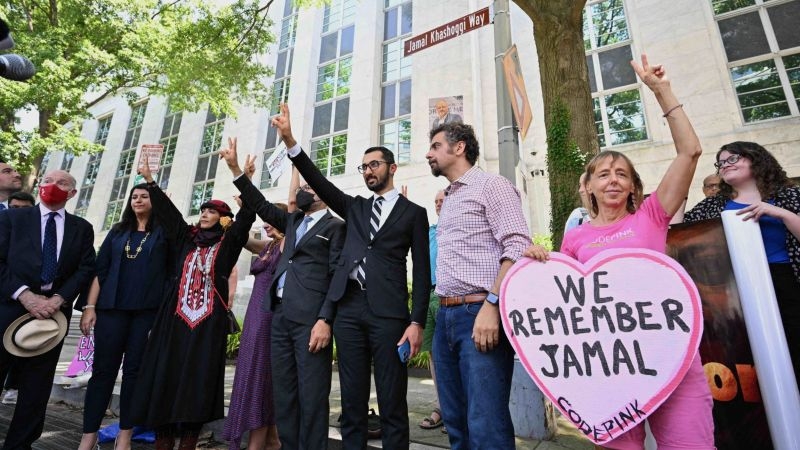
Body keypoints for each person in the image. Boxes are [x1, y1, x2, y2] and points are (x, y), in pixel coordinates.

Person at [525, 55, 714, 449]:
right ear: (588, 187)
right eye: (604, 174)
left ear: (633, 187)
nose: (613, 180)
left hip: (669, 357)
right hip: (609, 372)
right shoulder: (575, 239)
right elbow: (565, 307)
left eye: (622, 174)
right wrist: (535, 265)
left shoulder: (652, 215)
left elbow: (690, 152)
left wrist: (661, 91)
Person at [272, 103, 430, 450]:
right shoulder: (355, 207)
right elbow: (319, 181)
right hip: (349, 311)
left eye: (374, 165)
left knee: (392, 401)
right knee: (352, 403)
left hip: (389, 315)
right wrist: (290, 142)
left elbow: (422, 271)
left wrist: (416, 322)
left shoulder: (414, 214)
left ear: (392, 167)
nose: (368, 171)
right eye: (364, 167)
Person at [221, 137, 346, 450]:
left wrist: (325, 320)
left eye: (309, 188)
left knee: (311, 396)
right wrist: (236, 170)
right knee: (285, 396)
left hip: (310, 323)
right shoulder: (292, 223)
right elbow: (262, 205)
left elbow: (337, 277)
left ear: (324, 194)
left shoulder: (335, 227)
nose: (302, 190)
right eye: (302, 187)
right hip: (279, 319)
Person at [129, 162, 256, 450]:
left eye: (212, 211)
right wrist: (150, 181)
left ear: (224, 219)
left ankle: (188, 443)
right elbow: (168, 213)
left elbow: (245, 220)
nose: (205, 214)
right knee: (165, 375)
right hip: (173, 321)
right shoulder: (186, 239)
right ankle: (163, 442)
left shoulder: (228, 244)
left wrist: (246, 181)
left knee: (198, 381)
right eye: (203, 210)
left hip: (207, 325)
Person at [425, 121, 530, 449]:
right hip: (445, 316)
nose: (428, 154)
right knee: (456, 423)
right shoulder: (449, 198)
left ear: (459, 148)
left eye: (436, 146)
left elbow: (518, 245)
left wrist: (492, 305)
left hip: (479, 313)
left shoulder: (491, 185)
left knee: (486, 425)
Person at [684, 141, 800, 387]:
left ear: (755, 158)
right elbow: (681, 232)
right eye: (721, 163)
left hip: (786, 281)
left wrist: (780, 213)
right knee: (751, 351)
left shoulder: (788, 195)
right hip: (736, 286)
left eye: (732, 159)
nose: (725, 165)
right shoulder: (714, 204)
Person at [0, 169, 96, 450]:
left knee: (36, 386)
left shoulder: (82, 228)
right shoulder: (12, 218)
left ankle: (20, 444)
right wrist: (25, 295)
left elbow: (86, 268)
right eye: (48, 181)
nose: (53, 186)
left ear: (72, 193)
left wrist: (58, 299)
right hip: (10, 308)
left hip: (53, 317)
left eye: (62, 183)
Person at [76, 179, 172, 450]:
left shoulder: (164, 233)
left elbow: (171, 273)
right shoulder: (118, 231)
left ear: (155, 201)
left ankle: (125, 436)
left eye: (144, 196)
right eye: (134, 197)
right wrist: (89, 307)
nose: (137, 200)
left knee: (135, 374)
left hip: (146, 313)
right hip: (111, 310)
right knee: (102, 372)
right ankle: (89, 436)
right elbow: (101, 270)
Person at [419, 190, 445, 431]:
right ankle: (442, 407)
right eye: (436, 201)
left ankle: (457, 409)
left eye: (442, 200)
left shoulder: (458, 227)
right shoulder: (430, 231)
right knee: (434, 356)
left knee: (452, 354)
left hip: (449, 296)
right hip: (428, 294)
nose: (438, 204)